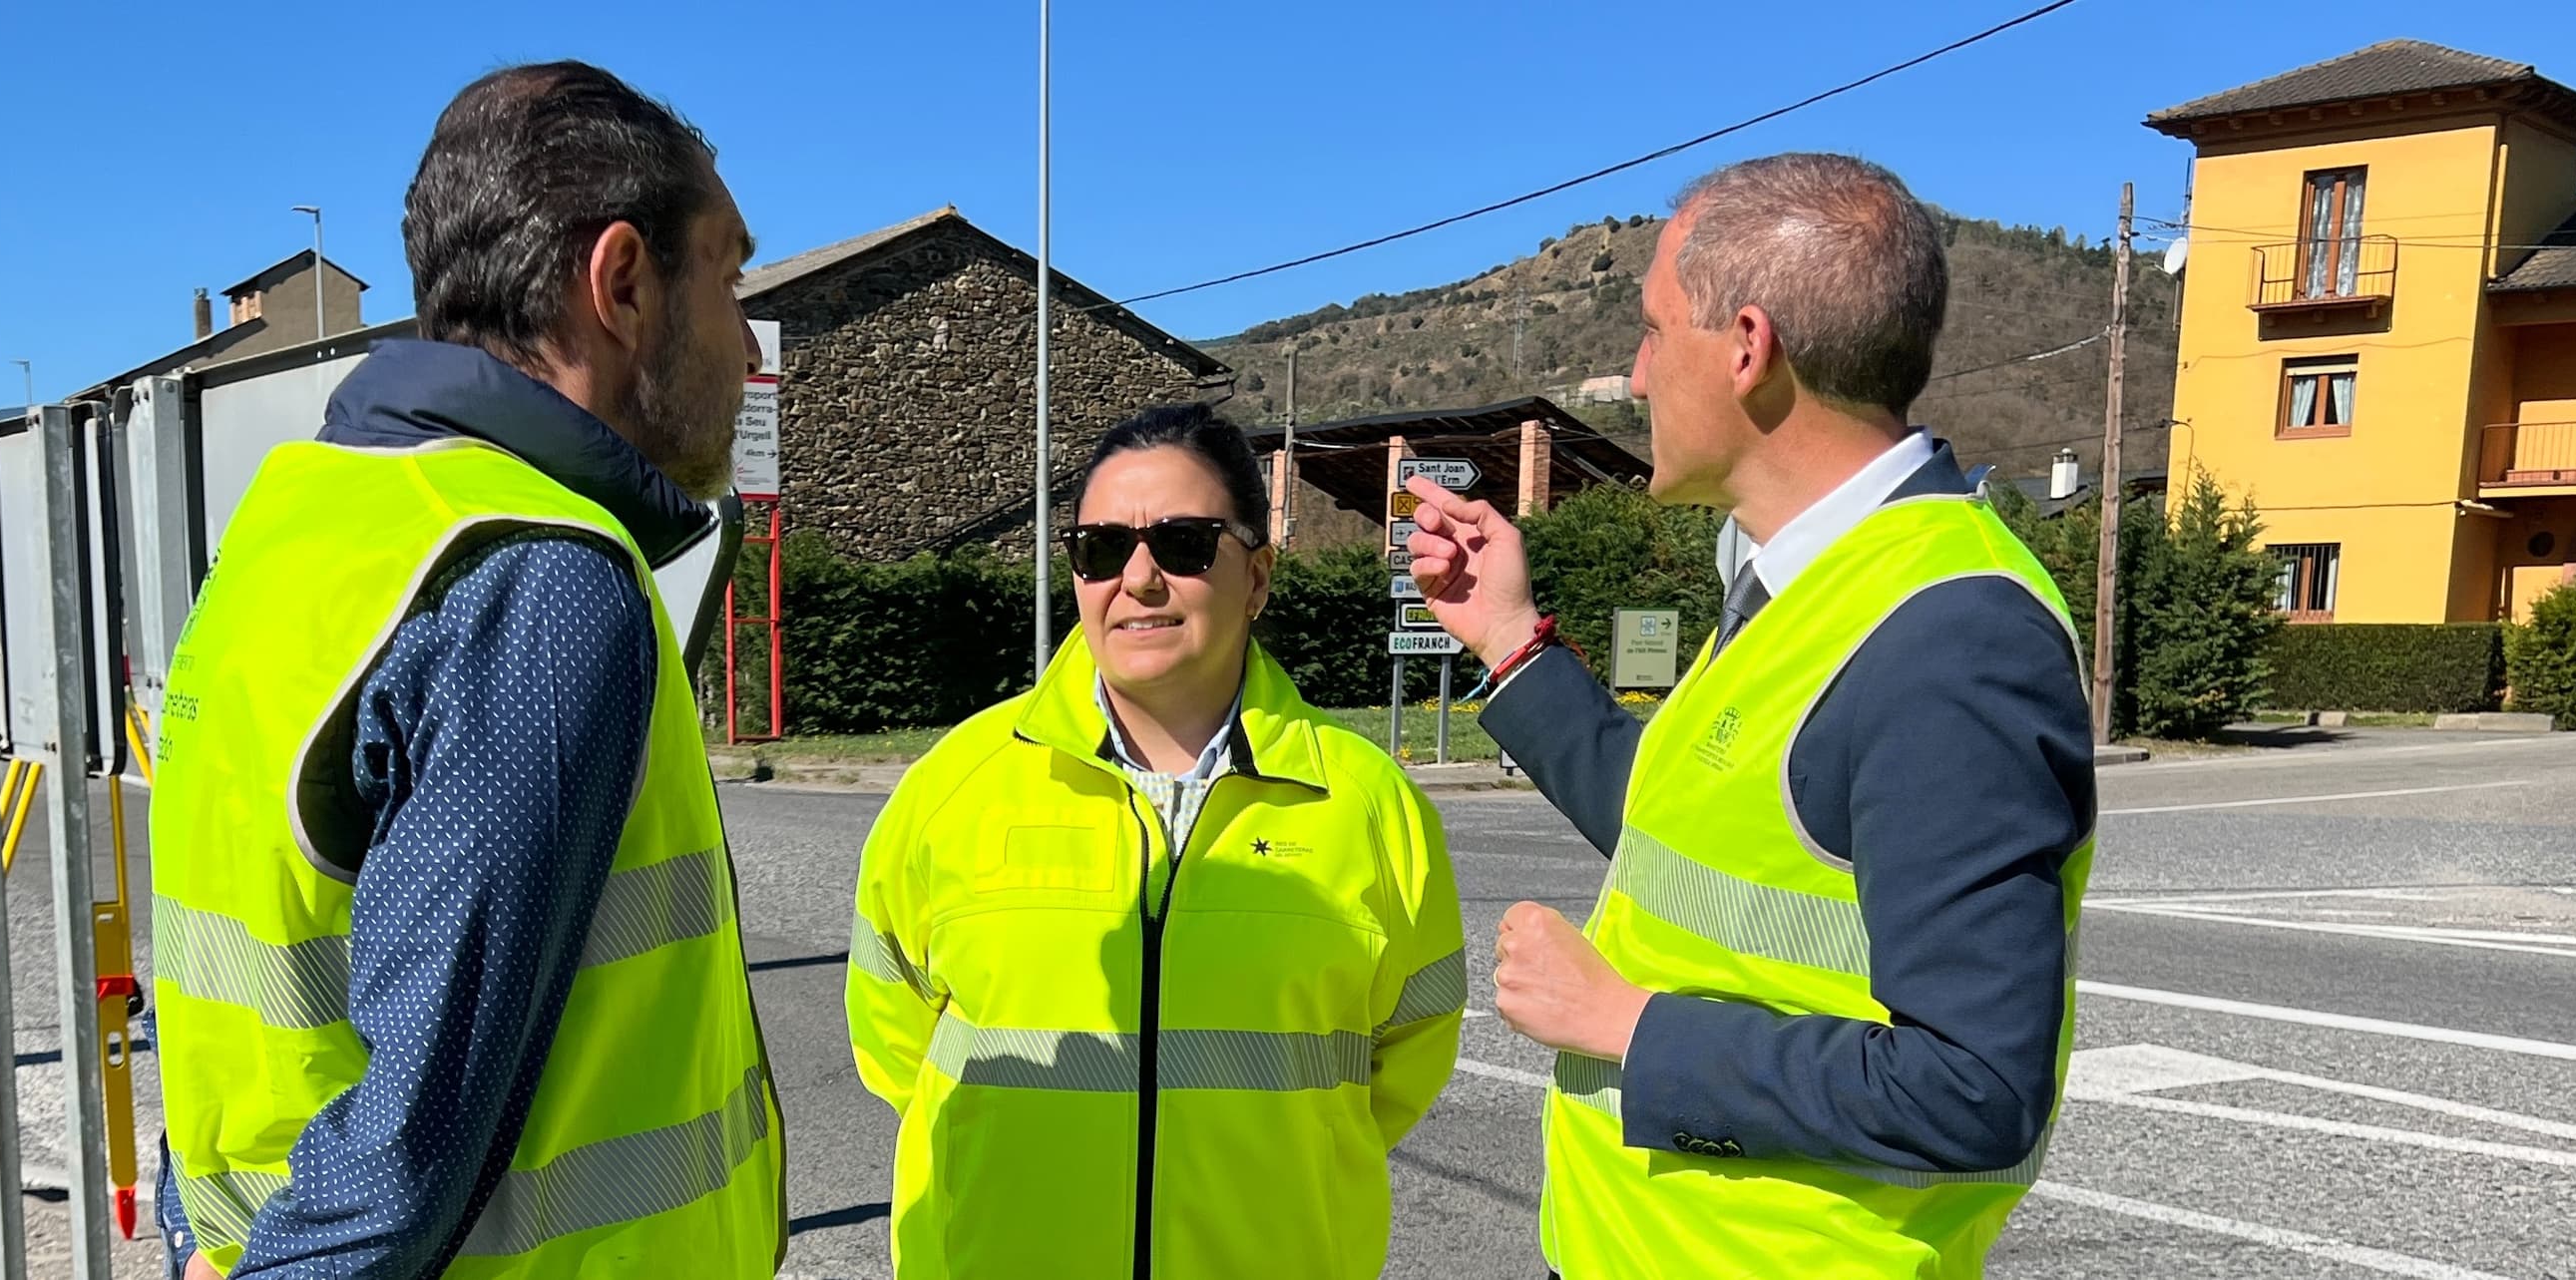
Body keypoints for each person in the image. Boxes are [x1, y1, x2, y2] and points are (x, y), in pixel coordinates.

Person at [1398, 154, 2092, 1278]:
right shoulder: (1815, 584)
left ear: (1746, 347)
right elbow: (1684, 816)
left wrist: (1628, 1022)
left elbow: (1978, 1089)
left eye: (1653, 331)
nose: (1633, 373)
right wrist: (1510, 640)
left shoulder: (1949, 632)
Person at [149, 61, 776, 1280]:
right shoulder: (534, 576)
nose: (749, 340)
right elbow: (406, 1147)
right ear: (624, 281)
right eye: (731, 275)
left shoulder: (304, 522)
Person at [846, 405, 1463, 1280]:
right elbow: (892, 1040)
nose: (1136, 579)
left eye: (1181, 542)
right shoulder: (956, 786)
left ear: (1256, 575)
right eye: (1099, 548)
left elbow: (1407, 1056)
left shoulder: (1370, 804)